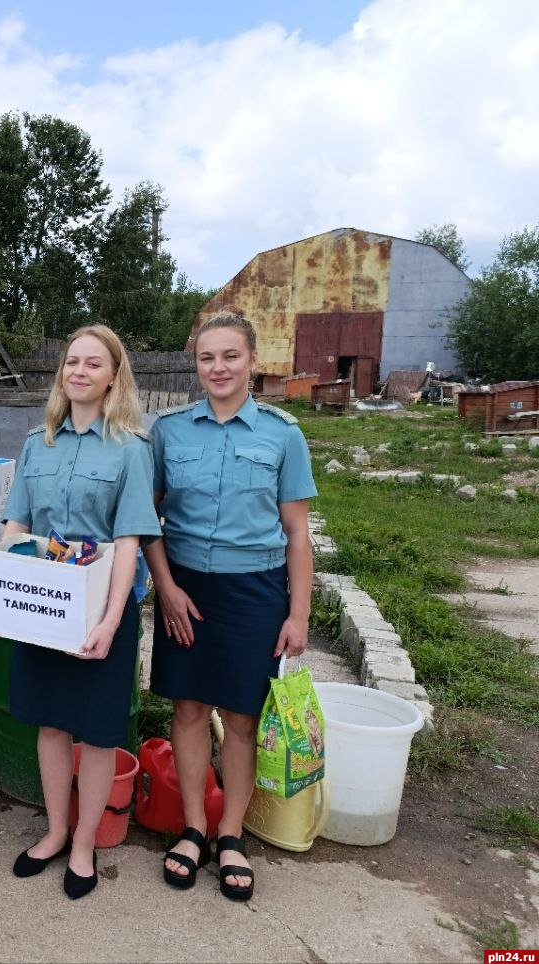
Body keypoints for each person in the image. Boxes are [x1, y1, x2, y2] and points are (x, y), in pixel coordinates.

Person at [0, 324, 161, 901]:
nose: (79, 372)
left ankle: (86, 841)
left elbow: (131, 541)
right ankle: (56, 830)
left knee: (100, 731)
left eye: (93, 364)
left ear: (114, 376)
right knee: (51, 724)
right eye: (71, 363)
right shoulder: (40, 442)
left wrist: (111, 621)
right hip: (43, 608)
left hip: (100, 608)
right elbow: (16, 527)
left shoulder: (132, 449)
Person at [144, 309, 316, 902]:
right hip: (185, 589)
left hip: (255, 593)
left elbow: (297, 533)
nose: (218, 368)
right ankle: (193, 828)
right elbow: (148, 520)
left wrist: (298, 615)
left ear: (253, 361)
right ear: (196, 364)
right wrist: (164, 586)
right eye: (207, 357)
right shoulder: (168, 432)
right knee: (190, 711)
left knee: (242, 719)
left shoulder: (282, 435)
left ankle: (231, 835)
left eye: (230, 356)